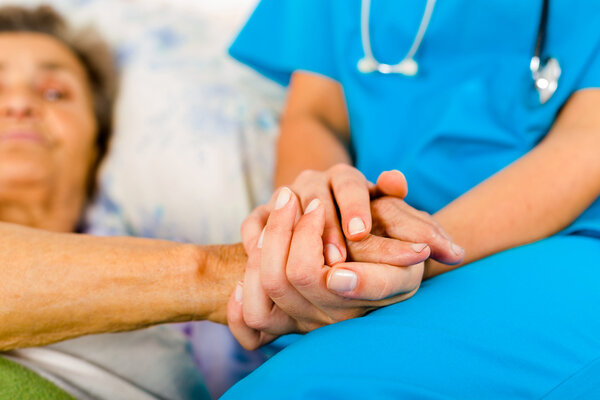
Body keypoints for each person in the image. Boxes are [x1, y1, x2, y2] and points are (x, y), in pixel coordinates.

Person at [0, 5, 459, 398]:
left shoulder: (170, 311)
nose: (19, 105)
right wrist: (246, 271)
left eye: (55, 93)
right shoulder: (199, 274)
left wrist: (331, 236)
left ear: (97, 138)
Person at [223, 0, 600, 398]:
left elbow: (588, 140)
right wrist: (317, 221)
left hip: (562, 246)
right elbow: (316, 115)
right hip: (364, 256)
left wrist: (395, 256)